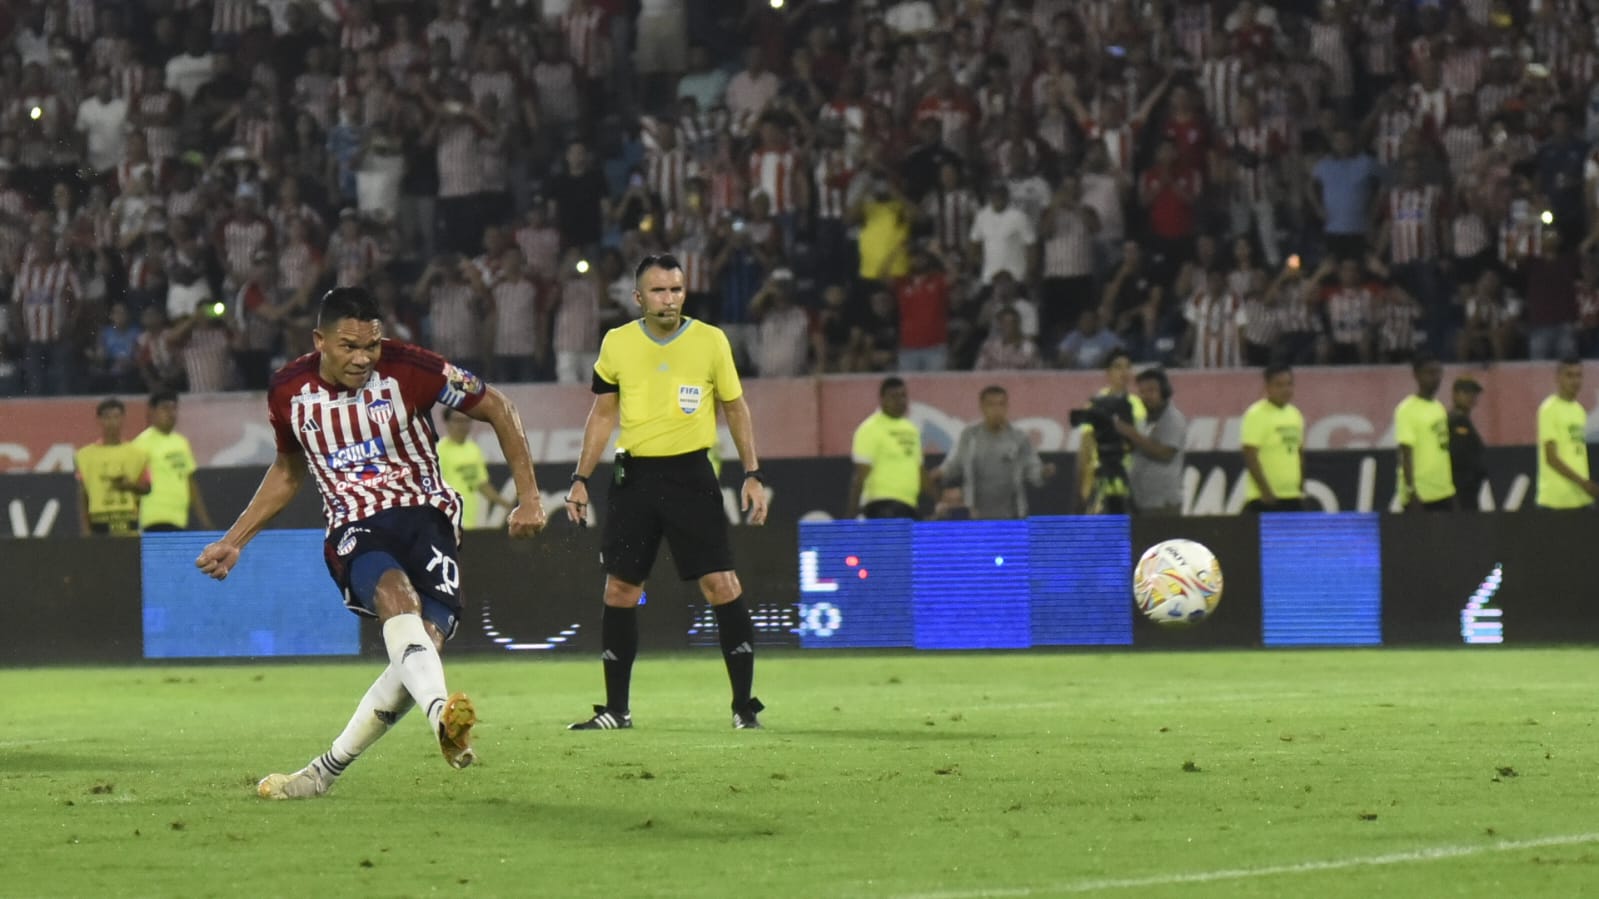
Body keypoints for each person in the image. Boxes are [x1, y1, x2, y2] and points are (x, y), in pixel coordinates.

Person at [195, 286, 548, 799]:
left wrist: (530, 496)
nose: (363, 358)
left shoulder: (414, 368)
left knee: (420, 651)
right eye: (349, 346)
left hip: (429, 518)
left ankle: (321, 775)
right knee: (393, 595)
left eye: (372, 346)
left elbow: (498, 406)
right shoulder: (288, 391)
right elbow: (289, 471)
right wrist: (236, 539)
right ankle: (441, 722)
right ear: (319, 340)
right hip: (355, 522)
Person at [562, 254, 770, 731]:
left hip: (691, 476)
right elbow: (603, 414)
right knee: (620, 589)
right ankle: (616, 710)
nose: (669, 299)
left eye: (676, 289)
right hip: (633, 479)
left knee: (721, 585)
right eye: (658, 291)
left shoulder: (711, 341)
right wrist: (579, 479)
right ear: (638, 298)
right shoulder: (617, 343)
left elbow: (736, 410)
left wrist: (752, 473)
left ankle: (743, 707)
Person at [932, 385, 1054, 519]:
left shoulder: (1018, 438)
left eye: (1001, 404)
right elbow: (955, 463)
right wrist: (941, 472)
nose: (997, 410)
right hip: (976, 516)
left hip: (1012, 515)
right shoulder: (970, 436)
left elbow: (1032, 468)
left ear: (1007, 407)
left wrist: (1043, 473)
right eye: (991, 405)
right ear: (982, 407)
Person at [1074, 349, 1146, 514]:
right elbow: (1085, 447)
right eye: (1117, 367)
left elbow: (1142, 444)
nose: (1123, 372)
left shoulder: (1137, 405)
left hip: (1130, 482)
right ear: (1107, 372)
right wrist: (1081, 489)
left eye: (1127, 367)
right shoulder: (1096, 405)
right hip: (1101, 483)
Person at [133, 390, 214, 532]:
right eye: (165, 408)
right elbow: (134, 484)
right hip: (153, 517)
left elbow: (190, 483)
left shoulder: (181, 443)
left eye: (174, 408)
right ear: (152, 411)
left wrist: (205, 521)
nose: (171, 413)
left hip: (179, 518)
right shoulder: (141, 444)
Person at [847, 377, 925, 519]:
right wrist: (852, 511)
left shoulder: (911, 429)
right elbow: (861, 474)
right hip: (881, 505)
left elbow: (918, 469)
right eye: (894, 396)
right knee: (890, 540)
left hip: (909, 504)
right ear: (882, 399)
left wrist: (938, 498)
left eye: (903, 396)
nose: (900, 401)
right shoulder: (869, 429)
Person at [75, 398, 150, 536]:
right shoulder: (85, 455)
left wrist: (130, 486)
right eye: (107, 418)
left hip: (129, 524)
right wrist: (86, 530)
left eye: (116, 417)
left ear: (123, 419)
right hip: (99, 525)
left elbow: (147, 488)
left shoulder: (138, 454)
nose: (112, 423)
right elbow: (83, 494)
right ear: (99, 420)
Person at [1120, 369, 1187, 515]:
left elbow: (1165, 452)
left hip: (1163, 503)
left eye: (1151, 390)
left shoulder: (1173, 419)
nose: (1146, 396)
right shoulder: (1143, 418)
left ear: (1164, 391)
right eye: (1142, 392)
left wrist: (1132, 434)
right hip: (1140, 500)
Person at [1393, 355, 1455, 512]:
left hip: (1444, 491)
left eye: (1438, 373)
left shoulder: (1439, 408)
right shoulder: (1407, 410)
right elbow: (1405, 453)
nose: (1435, 378)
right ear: (1416, 375)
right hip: (1421, 494)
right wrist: (1410, 492)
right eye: (1429, 373)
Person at [1241, 363, 1306, 512]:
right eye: (1279, 385)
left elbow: (1299, 452)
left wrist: (1301, 484)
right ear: (1268, 387)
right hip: (1266, 497)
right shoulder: (1256, 414)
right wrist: (1265, 490)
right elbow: (1250, 455)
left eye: (1289, 384)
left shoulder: (1295, 414)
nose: (1286, 389)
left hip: (1292, 495)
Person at [1535, 356, 1597, 510]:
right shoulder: (1549, 409)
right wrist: (1583, 483)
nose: (1575, 381)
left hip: (1580, 497)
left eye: (1578, 375)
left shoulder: (1579, 411)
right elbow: (1551, 458)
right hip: (1556, 499)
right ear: (1558, 378)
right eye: (1569, 375)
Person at [436, 407, 515, 529]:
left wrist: (506, 504)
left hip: (469, 516)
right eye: (457, 420)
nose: (462, 425)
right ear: (447, 423)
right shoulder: (439, 450)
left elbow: (481, 484)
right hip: (446, 517)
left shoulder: (474, 449)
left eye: (466, 421)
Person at [1449, 377, 1488, 511]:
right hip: (1460, 487)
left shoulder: (1464, 420)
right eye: (1466, 393)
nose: (1471, 397)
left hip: (1469, 487)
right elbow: (1457, 453)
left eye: (1474, 393)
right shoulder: (1455, 420)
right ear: (1455, 394)